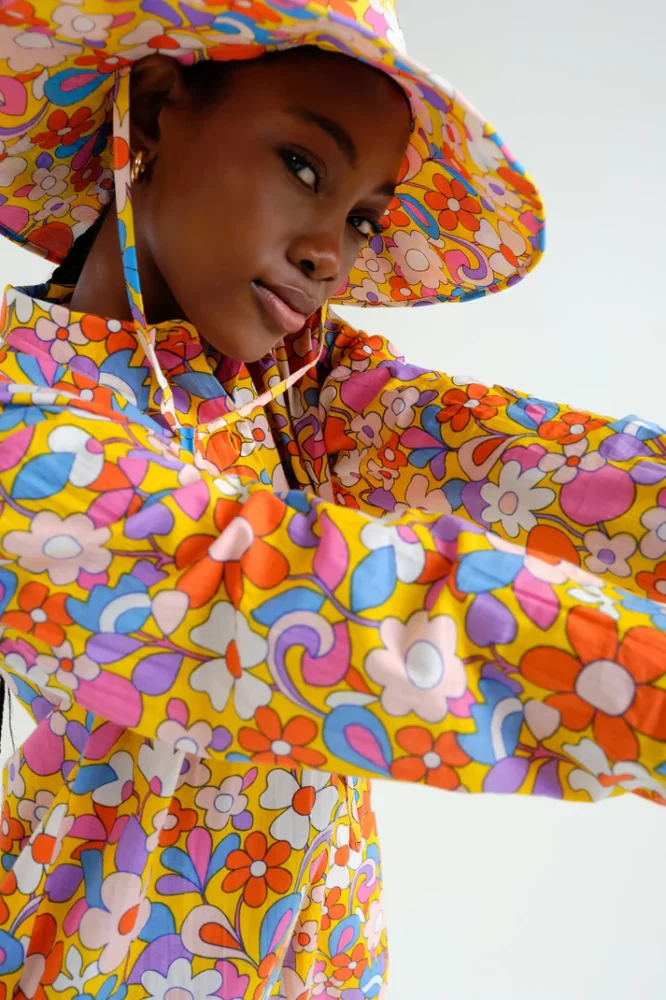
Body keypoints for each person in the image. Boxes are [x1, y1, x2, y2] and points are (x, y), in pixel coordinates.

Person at [0, 2, 664, 997]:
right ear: (157, 111)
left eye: (361, 218)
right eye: (305, 167)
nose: (330, 255)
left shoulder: (294, 389)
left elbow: (529, 459)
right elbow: (308, 598)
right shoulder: (23, 425)